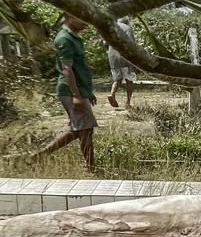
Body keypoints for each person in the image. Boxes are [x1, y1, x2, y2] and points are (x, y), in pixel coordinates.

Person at [41, 12, 98, 171]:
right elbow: (67, 70)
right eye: (82, 16)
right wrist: (76, 96)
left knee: (79, 129)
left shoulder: (74, 37)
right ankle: (91, 169)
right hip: (70, 91)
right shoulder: (64, 39)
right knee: (85, 130)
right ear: (69, 16)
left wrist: (87, 92)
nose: (87, 21)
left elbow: (79, 68)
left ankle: (40, 155)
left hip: (78, 90)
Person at [106, 18, 137, 110]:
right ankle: (128, 102)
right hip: (124, 57)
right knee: (129, 79)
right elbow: (131, 43)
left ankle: (112, 94)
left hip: (112, 56)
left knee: (117, 78)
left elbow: (105, 43)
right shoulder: (127, 28)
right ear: (126, 21)